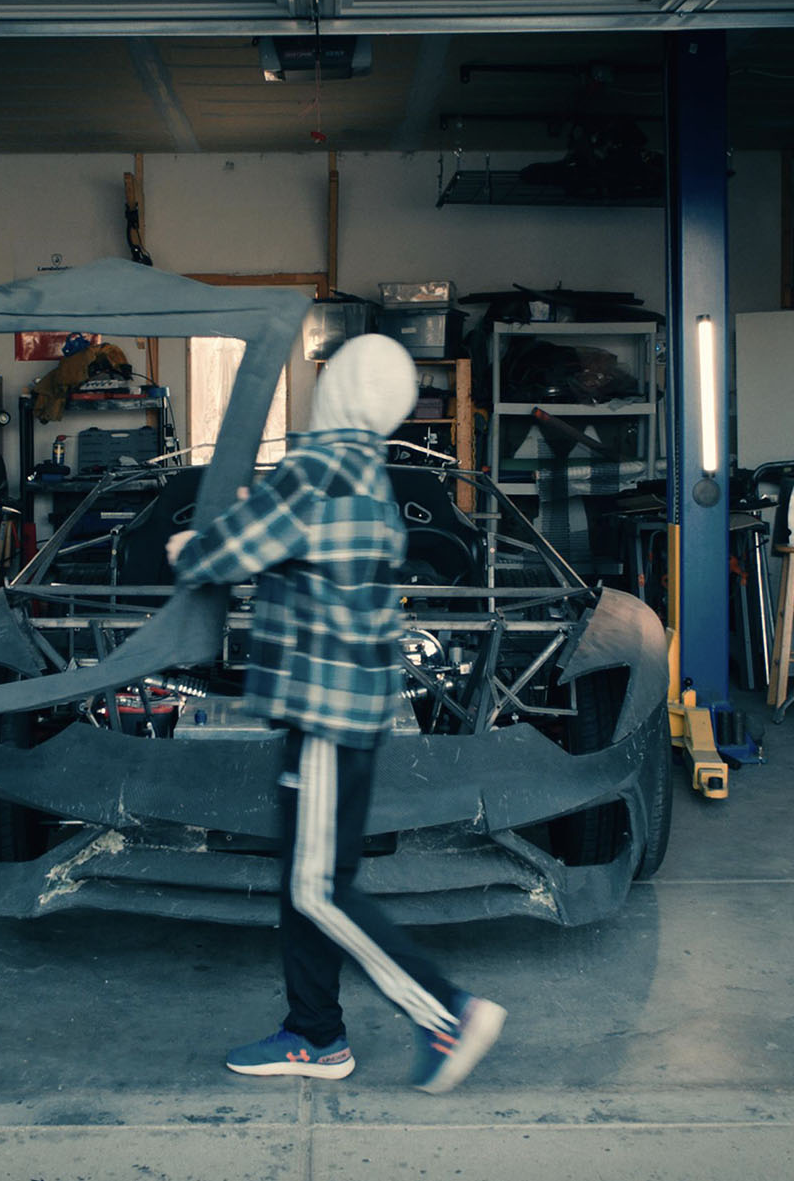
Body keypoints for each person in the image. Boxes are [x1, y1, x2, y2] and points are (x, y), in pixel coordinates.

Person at [166, 333, 505, 1094]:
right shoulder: (368, 474)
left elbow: (231, 552)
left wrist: (189, 546)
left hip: (320, 716)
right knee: (308, 877)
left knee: (317, 886)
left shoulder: (316, 468)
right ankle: (315, 1035)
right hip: (351, 713)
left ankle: (447, 1013)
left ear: (340, 388)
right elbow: (298, 549)